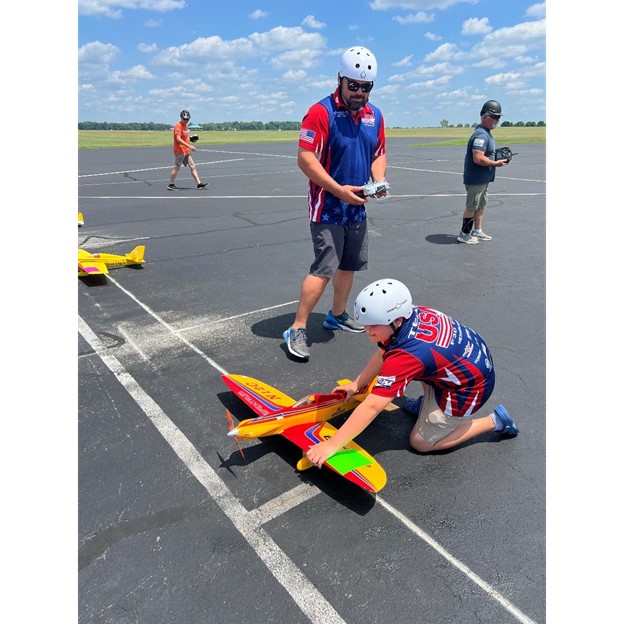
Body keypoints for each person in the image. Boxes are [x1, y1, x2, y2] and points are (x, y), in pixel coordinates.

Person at [305, 278, 518, 467]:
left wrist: (332, 445)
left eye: (374, 325)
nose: (368, 330)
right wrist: (356, 383)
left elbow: (372, 406)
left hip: (468, 389)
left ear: (396, 321)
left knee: (420, 443)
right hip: (465, 365)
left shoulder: (407, 355)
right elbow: (386, 350)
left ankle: (494, 421)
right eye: (366, 324)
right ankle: (430, 405)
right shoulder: (410, 314)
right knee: (412, 365)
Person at [283, 46, 388, 361]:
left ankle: (337, 314)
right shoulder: (320, 112)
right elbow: (305, 159)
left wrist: (378, 181)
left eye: (365, 86)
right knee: (325, 267)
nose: (359, 92)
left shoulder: (375, 115)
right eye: (353, 84)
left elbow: (379, 152)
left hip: (356, 207)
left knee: (349, 264)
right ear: (340, 79)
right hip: (327, 207)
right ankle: (298, 328)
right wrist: (338, 190)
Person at [457, 99, 509, 244]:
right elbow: (478, 158)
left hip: (483, 178)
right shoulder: (481, 135)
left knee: (480, 205)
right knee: (472, 206)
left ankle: (477, 230)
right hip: (476, 178)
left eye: (499, 118)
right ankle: (464, 234)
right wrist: (495, 163)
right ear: (485, 116)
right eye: (495, 117)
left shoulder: (486, 133)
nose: (497, 121)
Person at [167, 109, 208, 191]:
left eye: (187, 119)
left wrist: (191, 139)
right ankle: (171, 184)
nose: (186, 121)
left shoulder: (185, 126)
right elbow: (178, 139)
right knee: (177, 167)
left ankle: (199, 184)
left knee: (193, 166)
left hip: (186, 150)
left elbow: (185, 138)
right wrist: (189, 146)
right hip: (180, 150)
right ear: (181, 117)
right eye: (184, 119)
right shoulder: (178, 126)